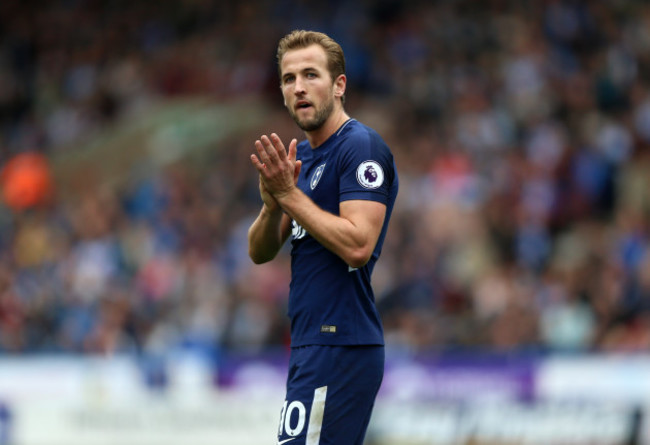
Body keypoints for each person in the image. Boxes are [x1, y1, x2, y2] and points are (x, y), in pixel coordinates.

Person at [248, 29, 398, 445]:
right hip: (309, 343)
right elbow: (259, 252)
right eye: (288, 78)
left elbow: (358, 245)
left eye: (311, 75)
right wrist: (271, 204)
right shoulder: (303, 158)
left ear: (339, 85)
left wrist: (289, 196)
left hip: (341, 342)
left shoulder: (360, 147)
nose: (298, 87)